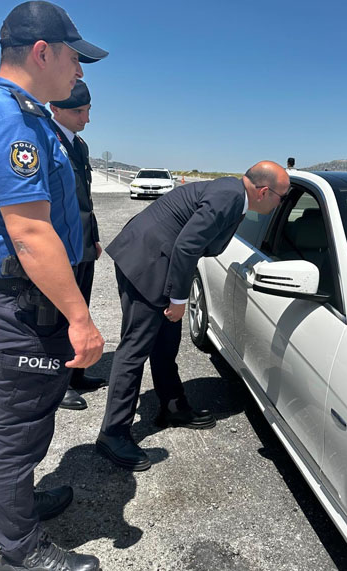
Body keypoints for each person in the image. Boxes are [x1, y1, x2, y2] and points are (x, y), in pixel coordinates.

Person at [0, 2, 108, 569]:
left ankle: (19, 507)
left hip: (27, 302)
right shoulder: (8, 119)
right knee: (14, 425)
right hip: (15, 304)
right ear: (42, 52)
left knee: (29, 418)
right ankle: (19, 552)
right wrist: (82, 318)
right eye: (76, 58)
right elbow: (28, 232)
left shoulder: (28, 115)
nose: (80, 72)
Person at [97, 161, 290, 471]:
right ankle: (113, 432)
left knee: (166, 340)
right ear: (265, 192)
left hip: (159, 257)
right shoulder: (229, 197)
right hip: (147, 260)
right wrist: (178, 298)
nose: (282, 203)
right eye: (282, 197)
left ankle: (172, 405)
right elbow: (187, 245)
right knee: (134, 350)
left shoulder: (235, 193)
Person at [49, 79, 108, 411]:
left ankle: (75, 374)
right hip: (58, 248)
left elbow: (84, 198)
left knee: (79, 309)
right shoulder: (45, 141)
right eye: (78, 111)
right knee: (58, 316)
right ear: (54, 108)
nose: (85, 118)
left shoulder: (79, 146)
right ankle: (57, 384)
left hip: (82, 244)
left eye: (87, 110)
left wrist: (93, 236)